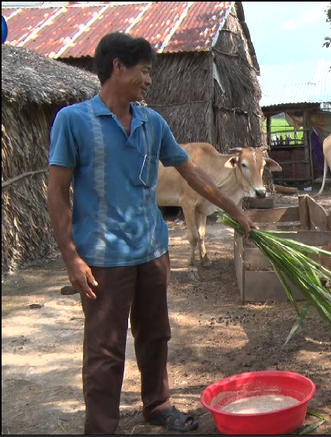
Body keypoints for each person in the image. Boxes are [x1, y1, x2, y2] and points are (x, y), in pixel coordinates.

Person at [47, 32, 257, 434]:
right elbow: (57, 193)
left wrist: (236, 211)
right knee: (105, 349)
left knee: (156, 335)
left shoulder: (151, 122)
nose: (149, 80)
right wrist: (71, 257)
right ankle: (102, 426)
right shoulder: (73, 121)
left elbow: (192, 173)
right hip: (103, 258)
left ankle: (158, 405)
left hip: (152, 250)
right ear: (117, 67)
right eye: (144, 71)